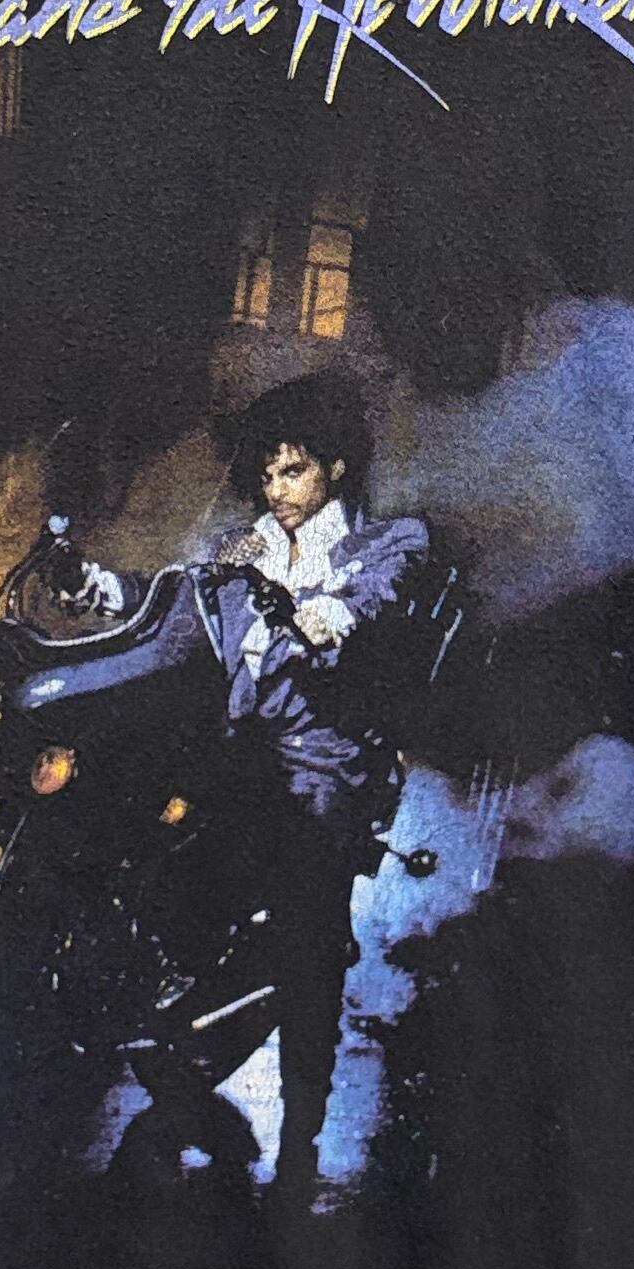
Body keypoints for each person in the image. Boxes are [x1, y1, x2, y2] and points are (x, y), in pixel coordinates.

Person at [205, 376, 435, 1201]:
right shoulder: (245, 546)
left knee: (307, 940)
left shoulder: (387, 543)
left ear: (335, 467)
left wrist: (329, 615)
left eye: (294, 470)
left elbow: (374, 600)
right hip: (240, 753)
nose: (277, 490)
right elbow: (181, 598)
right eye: (268, 474)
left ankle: (300, 1138)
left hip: (325, 761)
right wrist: (100, 589)